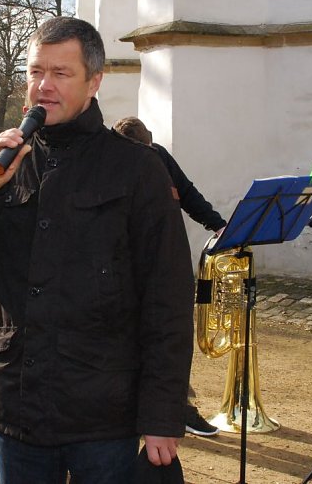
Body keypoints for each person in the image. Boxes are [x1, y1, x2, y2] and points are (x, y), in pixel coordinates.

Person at [0, 17, 195, 483]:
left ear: (94, 82)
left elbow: (168, 298)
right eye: (35, 71)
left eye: (60, 73)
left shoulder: (136, 168)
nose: (44, 85)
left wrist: (162, 414)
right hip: (18, 402)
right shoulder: (7, 161)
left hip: (103, 412)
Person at [112, 116, 225, 438]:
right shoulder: (110, 163)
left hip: (164, 263)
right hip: (123, 267)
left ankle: (179, 408)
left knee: (170, 338)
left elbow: (187, 193)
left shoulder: (158, 154)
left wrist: (219, 225)